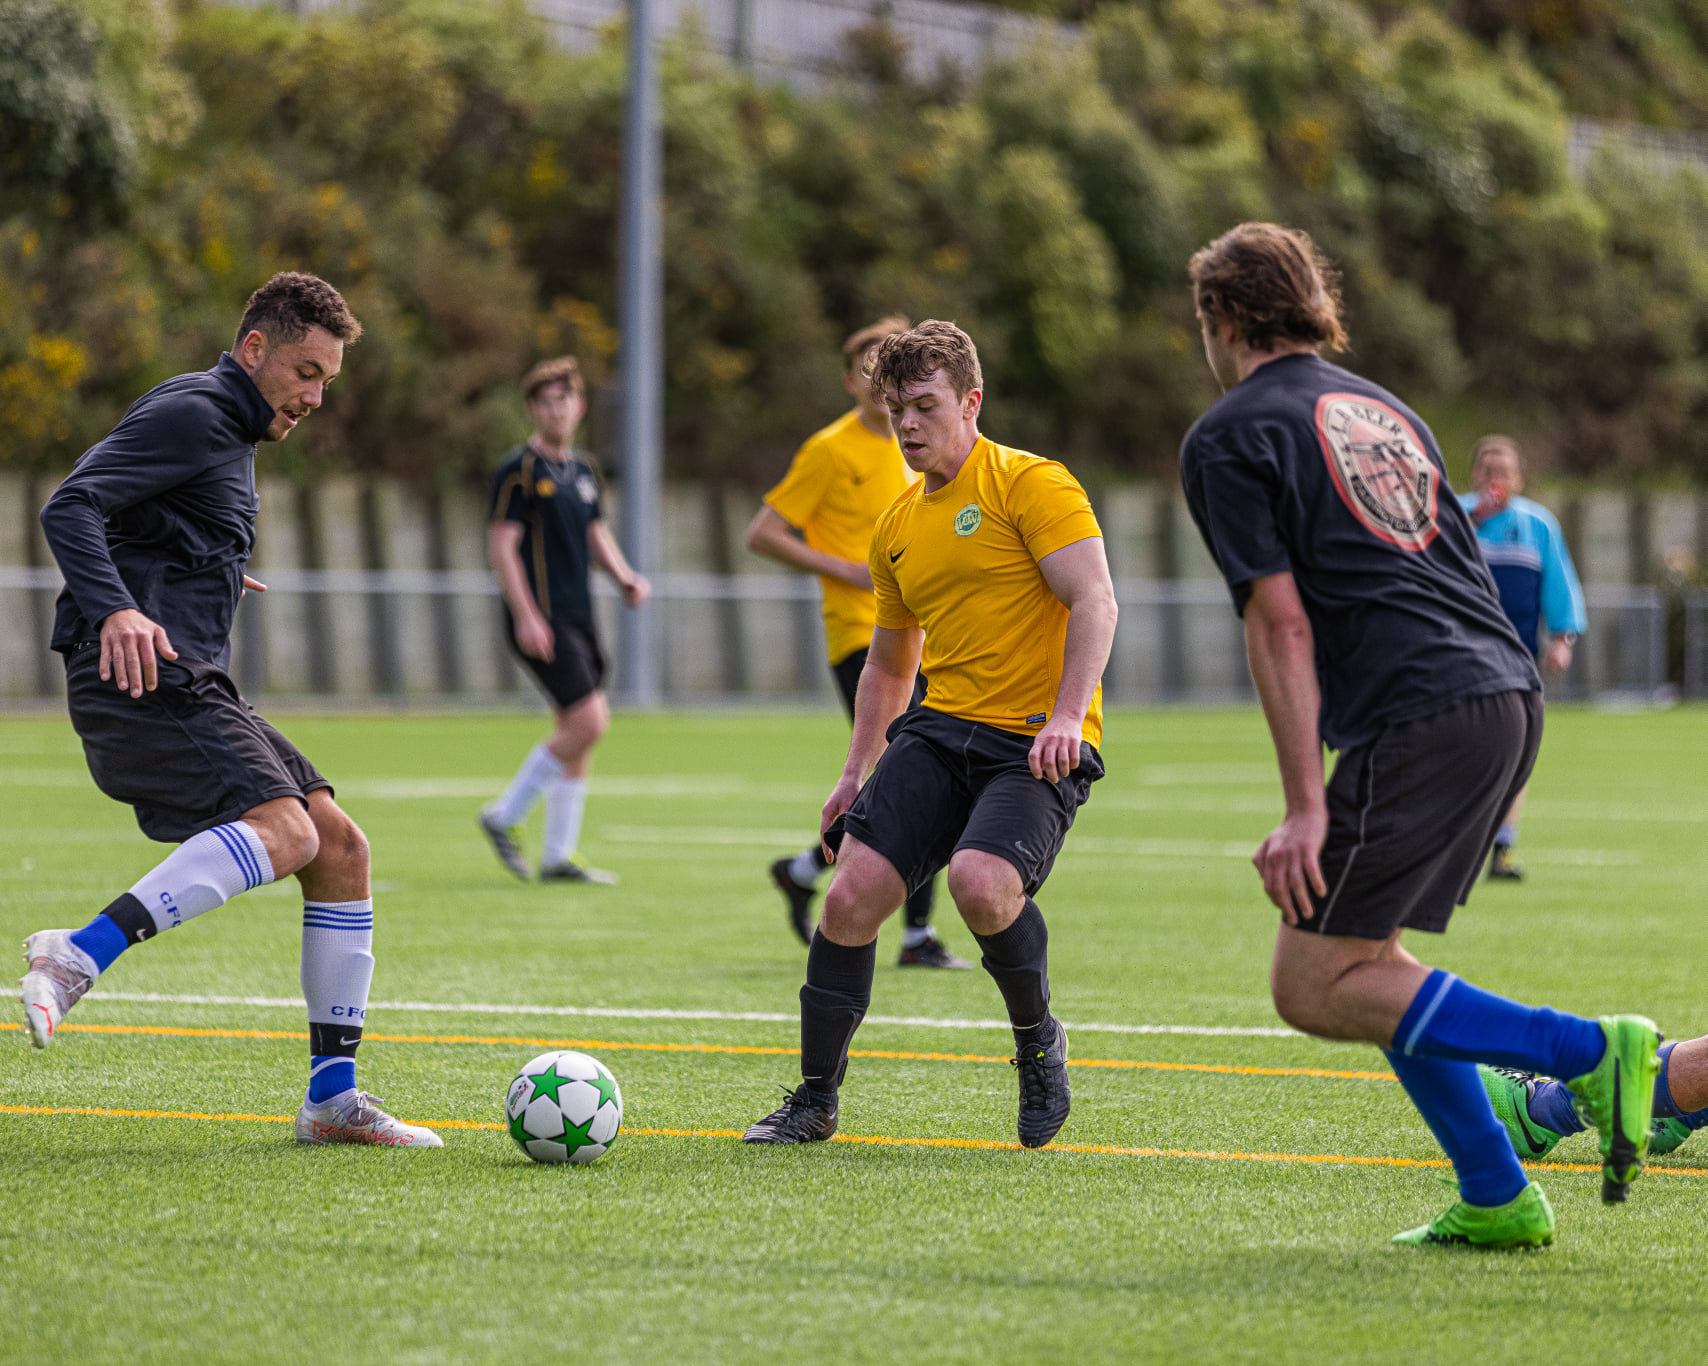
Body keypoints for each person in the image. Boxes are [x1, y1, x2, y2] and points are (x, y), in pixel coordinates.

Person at [1179, 222, 1659, 1248]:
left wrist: (1305, 806)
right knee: (1376, 963)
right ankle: (1495, 1192)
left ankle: (1591, 1053)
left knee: (1312, 983)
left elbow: (1280, 621)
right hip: (1500, 693)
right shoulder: (1382, 409)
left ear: (1218, 319)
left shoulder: (1230, 434)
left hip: (1425, 707)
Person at [21, 272, 440, 1147]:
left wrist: (207, 565)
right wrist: (119, 609)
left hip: (190, 677)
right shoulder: (199, 411)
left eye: (327, 379)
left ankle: (332, 1100)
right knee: (290, 834)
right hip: (137, 678)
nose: (316, 395)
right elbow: (73, 505)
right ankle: (77, 955)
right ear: (255, 350)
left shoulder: (229, 432)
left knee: (341, 850)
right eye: (304, 372)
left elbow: (142, 520)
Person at [742, 321, 1118, 1150]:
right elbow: (887, 663)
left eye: (924, 405)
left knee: (982, 887)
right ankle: (814, 1100)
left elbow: (1094, 599)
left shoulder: (1032, 484)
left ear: (969, 403)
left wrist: (1066, 715)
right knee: (848, 897)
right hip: (941, 730)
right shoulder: (898, 524)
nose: (906, 424)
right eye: (894, 408)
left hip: (1032, 738)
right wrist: (853, 772)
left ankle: (1038, 1044)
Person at [746, 315, 968, 968]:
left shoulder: (916, 443)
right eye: (873, 369)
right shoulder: (829, 450)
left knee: (915, 778)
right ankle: (914, 934)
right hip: (861, 639)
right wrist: (842, 568)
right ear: (853, 380)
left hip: (926, 635)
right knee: (919, 775)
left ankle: (805, 870)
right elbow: (763, 531)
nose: (884, 384)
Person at [478, 357, 650, 885]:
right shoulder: (518, 470)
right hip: (543, 619)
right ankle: (503, 815)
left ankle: (558, 856)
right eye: (546, 401)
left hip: (580, 615)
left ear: (579, 407)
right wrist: (527, 616)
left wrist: (623, 575)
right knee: (590, 721)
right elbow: (502, 547)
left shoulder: (584, 470)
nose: (558, 410)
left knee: (577, 733)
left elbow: (596, 531)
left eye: (566, 400)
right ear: (532, 409)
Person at [1460, 435, 1587, 880]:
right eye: (1487, 470)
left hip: (1517, 659)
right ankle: (1457, 847)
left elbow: (1560, 583)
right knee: (1460, 749)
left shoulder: (1538, 525)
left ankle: (1502, 848)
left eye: (1504, 472)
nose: (1495, 479)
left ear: (1518, 477)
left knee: (1516, 751)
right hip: (1457, 657)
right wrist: (1474, 518)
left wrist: (1562, 639)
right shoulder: (1453, 518)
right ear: (1475, 475)